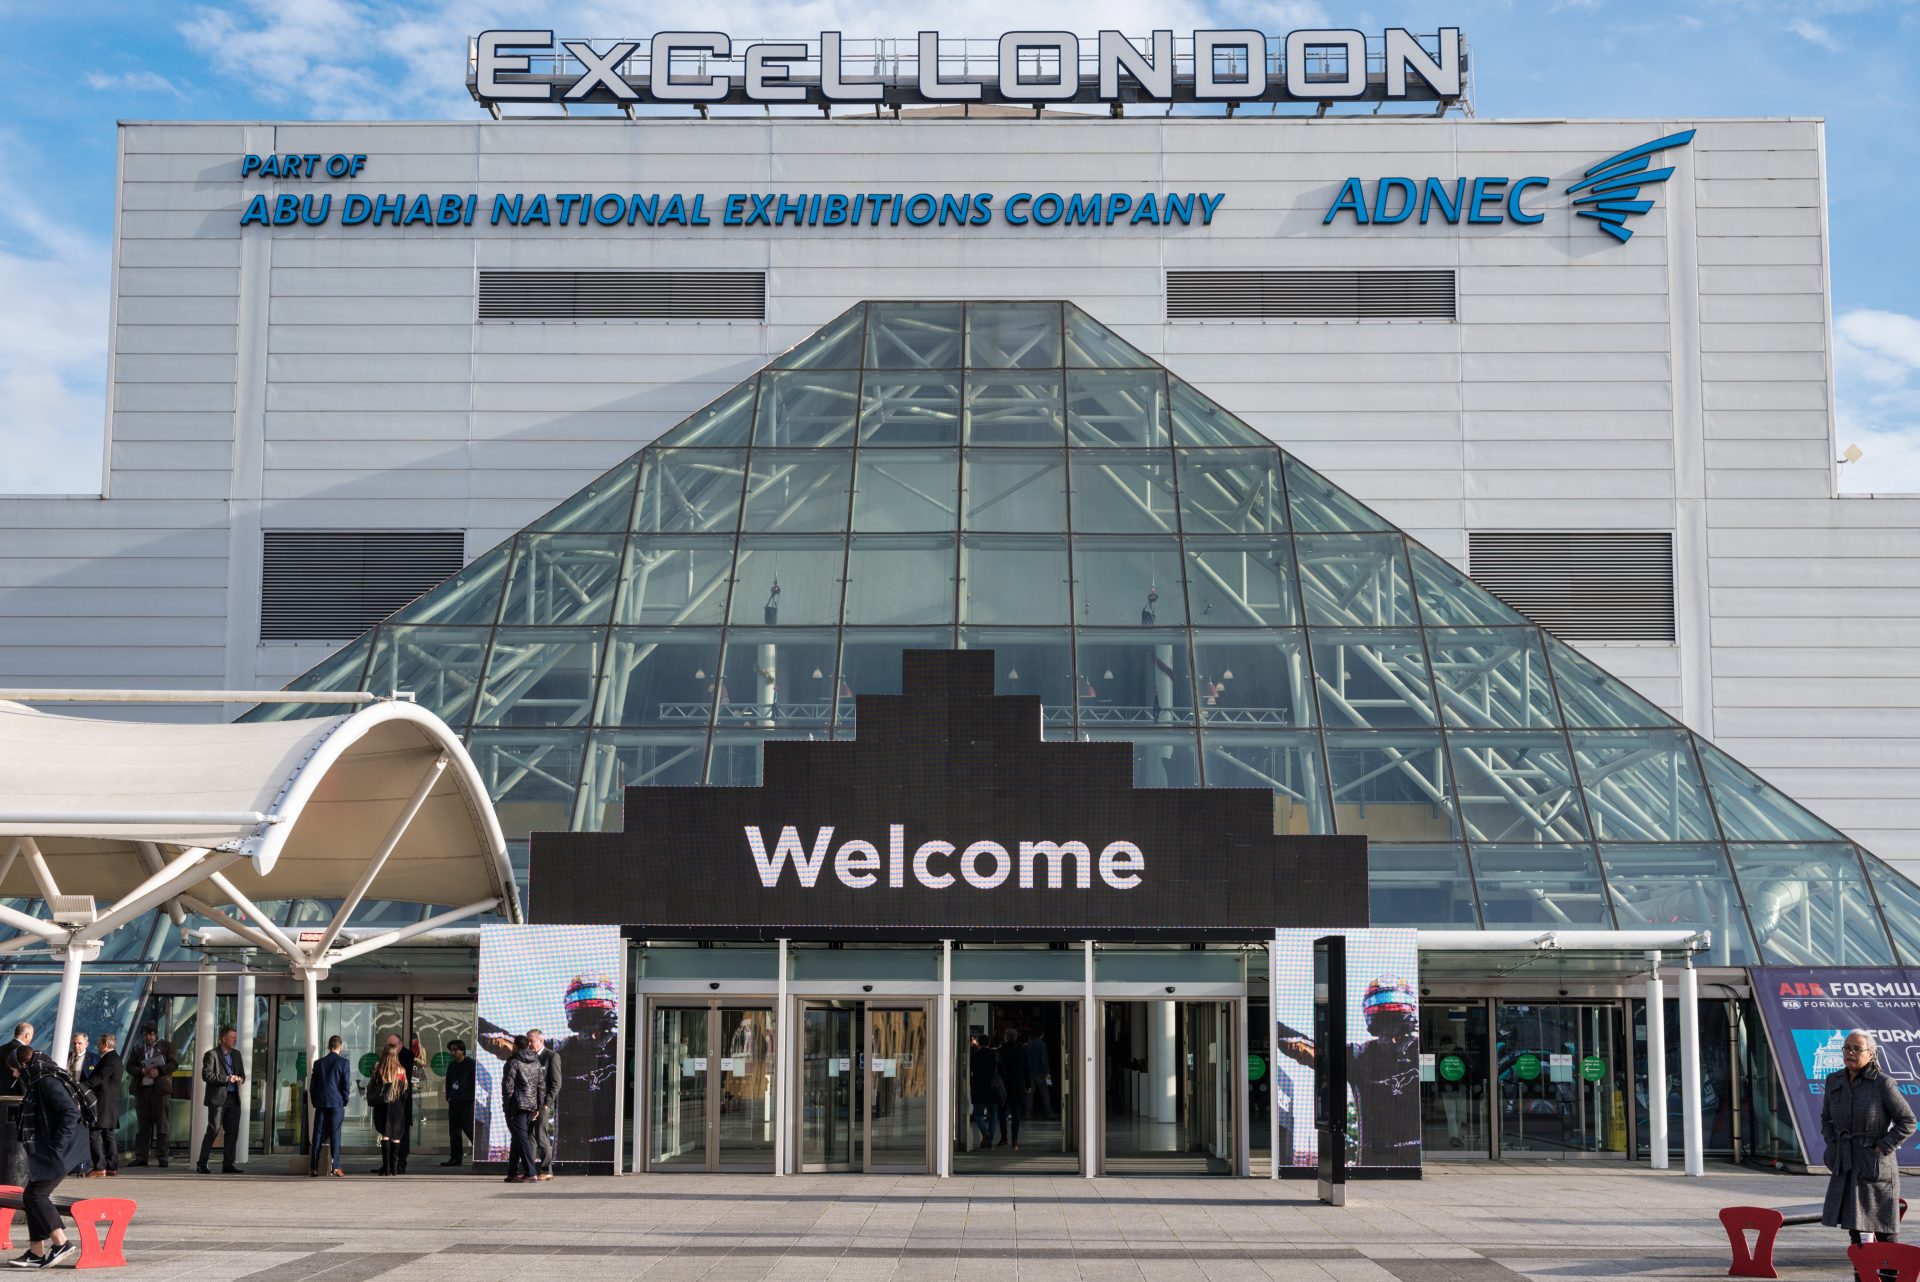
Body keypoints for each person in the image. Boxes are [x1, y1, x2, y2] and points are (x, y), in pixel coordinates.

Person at [1277, 975, 1421, 1167]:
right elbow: (1308, 1049)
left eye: (1393, 1000)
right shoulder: (1360, 1056)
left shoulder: (1360, 1056)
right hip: (1385, 1161)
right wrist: (1273, 1027)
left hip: (1385, 1161)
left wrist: (1268, 1025)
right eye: (1381, 1000)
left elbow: (1306, 1049)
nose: (1388, 1005)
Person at [1822, 1030, 1916, 1252]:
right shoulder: (1834, 1080)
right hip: (1846, 1163)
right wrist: (1833, 1143)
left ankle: (1889, 1271)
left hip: (1875, 1165)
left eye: (1857, 1049)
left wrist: (1881, 1147)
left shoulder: (1883, 1083)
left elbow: (1908, 1122)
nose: (1850, 1053)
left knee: (1884, 1231)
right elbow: (1826, 1119)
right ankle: (1862, 1270)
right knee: (1854, 1230)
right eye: (1847, 1048)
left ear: (1871, 1053)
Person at [11, 1048, 85, 1268]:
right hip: (54, 1150)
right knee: (30, 1195)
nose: (14, 1074)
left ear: (23, 1065)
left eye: (14, 1069)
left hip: (62, 1151)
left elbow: (71, 1113)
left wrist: (58, 1145)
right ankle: (36, 1252)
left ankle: (61, 1243)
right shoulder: (38, 1079)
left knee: (37, 1195)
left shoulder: (46, 1080)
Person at [124, 1024, 177, 1168]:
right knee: (143, 1126)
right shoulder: (138, 1048)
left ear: (156, 1034)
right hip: (142, 1090)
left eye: (152, 1034)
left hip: (160, 1090)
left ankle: (163, 1157)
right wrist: (142, 1071)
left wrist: (159, 1071)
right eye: (146, 1035)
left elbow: (174, 1064)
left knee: (162, 1125)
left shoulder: (165, 1046)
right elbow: (129, 1066)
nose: (149, 1037)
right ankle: (141, 1157)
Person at [195, 1025, 244, 1174]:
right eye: (232, 1037)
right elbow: (207, 1075)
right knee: (213, 1130)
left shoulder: (237, 1054)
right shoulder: (212, 1055)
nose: (235, 1040)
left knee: (232, 1132)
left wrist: (239, 1079)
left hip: (233, 1098)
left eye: (235, 1037)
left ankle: (228, 1164)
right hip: (218, 1099)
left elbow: (242, 1075)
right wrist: (226, 1078)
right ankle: (202, 1163)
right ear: (223, 1038)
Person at [500, 1034, 543, 1184]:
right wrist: (538, 1106)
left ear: (516, 1045)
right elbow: (541, 1085)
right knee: (517, 1137)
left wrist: (506, 1105)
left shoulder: (513, 1061)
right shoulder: (536, 1061)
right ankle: (512, 1173)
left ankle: (531, 1173)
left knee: (521, 1138)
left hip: (517, 1105)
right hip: (530, 1105)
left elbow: (508, 1086)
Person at [308, 1035, 350, 1178]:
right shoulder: (344, 1063)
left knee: (318, 1134)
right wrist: (344, 1101)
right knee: (335, 1134)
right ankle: (336, 1167)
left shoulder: (319, 1063)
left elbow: (313, 1087)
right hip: (337, 1104)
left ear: (328, 1046)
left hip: (321, 1103)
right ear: (340, 1046)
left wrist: (315, 1101)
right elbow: (346, 1086)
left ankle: (314, 1167)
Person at [366, 1042, 410, 1176]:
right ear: (395, 1054)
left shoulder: (379, 1069)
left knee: (385, 1134)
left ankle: (386, 1168)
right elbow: (405, 1091)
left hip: (383, 1106)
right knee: (396, 1136)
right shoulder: (401, 1070)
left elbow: (372, 1086)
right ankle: (394, 1168)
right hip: (397, 1107)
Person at [83, 1034, 120, 1178]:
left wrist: (83, 1085)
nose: (97, 1046)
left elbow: (100, 1077)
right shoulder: (115, 1058)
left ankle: (99, 1167)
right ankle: (111, 1166)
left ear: (106, 1045)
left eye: (99, 1043)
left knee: (94, 1132)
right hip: (110, 1102)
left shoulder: (109, 1059)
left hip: (103, 1102)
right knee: (108, 1133)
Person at [530, 1029, 560, 1179]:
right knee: (529, 1137)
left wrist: (547, 1103)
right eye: (528, 1041)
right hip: (529, 1103)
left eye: (532, 1041)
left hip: (543, 1104)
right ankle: (529, 1170)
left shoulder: (551, 1056)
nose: (529, 1044)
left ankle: (546, 1170)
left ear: (541, 1041)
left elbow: (556, 1083)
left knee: (541, 1135)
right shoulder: (529, 1057)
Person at [441, 1039, 474, 1167]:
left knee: (468, 1128)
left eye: (455, 1050)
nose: (453, 1052)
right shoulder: (452, 1066)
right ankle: (455, 1158)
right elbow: (449, 1082)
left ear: (462, 1050)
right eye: (451, 1050)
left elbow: (475, 1082)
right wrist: (448, 1096)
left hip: (467, 1102)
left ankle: (479, 1154)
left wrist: (471, 1096)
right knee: (454, 1131)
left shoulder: (471, 1064)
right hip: (454, 1102)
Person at [64, 1036, 94, 1176]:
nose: (76, 1046)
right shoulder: (65, 1057)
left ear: (86, 1044)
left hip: (83, 1100)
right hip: (67, 1098)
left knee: (82, 1131)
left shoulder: (93, 1058)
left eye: (79, 1043)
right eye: (74, 1043)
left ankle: (84, 1164)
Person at [996, 1028, 1030, 1152]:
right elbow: (1026, 1068)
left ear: (1006, 1037)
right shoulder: (1022, 1050)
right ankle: (1014, 1140)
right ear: (1015, 1037)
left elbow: (997, 1069)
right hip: (1018, 1085)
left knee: (1002, 1112)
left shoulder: (1000, 1051)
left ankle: (1004, 1137)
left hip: (1003, 1086)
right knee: (1016, 1113)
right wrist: (1028, 1085)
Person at [967, 1030, 1003, 1149]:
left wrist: (972, 1082)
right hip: (993, 1088)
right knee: (993, 1115)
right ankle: (990, 1139)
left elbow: (969, 1071)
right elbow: (1002, 1071)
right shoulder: (995, 1054)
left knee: (978, 1114)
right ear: (989, 1043)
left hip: (978, 1088)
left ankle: (985, 1134)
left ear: (979, 1042)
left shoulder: (974, 1055)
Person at [1025, 1028, 1053, 1120]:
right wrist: (1047, 1072)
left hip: (1029, 1072)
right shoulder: (1042, 1044)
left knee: (1030, 1094)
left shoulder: (1028, 1044)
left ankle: (1028, 1113)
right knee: (1045, 1093)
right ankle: (1048, 1113)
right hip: (1041, 1073)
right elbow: (1044, 1059)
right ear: (1042, 1034)